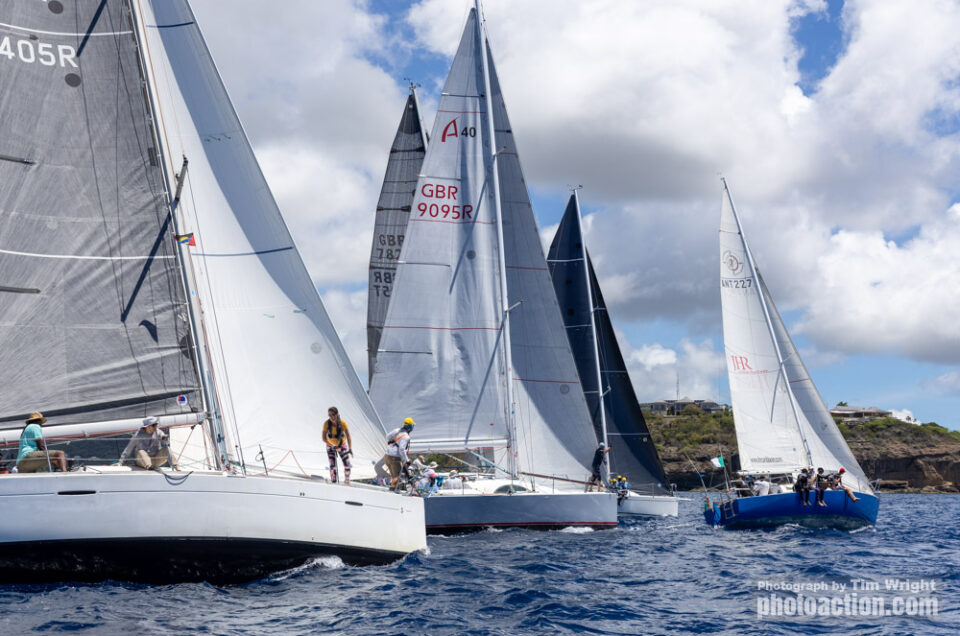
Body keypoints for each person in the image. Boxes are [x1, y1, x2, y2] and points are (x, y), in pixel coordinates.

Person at [322, 406, 353, 485]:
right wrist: (333, 446)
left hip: (341, 445)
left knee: (347, 464)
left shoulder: (343, 423)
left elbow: (348, 437)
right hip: (330, 446)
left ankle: (347, 482)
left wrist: (350, 449)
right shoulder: (326, 423)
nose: (331, 417)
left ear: (337, 414)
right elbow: (324, 438)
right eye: (329, 415)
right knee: (332, 466)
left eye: (333, 415)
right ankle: (334, 482)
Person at [384, 418, 414, 489]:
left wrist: (391, 442)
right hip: (395, 458)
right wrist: (407, 460)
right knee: (397, 477)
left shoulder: (397, 430)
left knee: (394, 477)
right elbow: (402, 449)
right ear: (410, 427)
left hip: (387, 456)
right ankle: (390, 490)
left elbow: (387, 436)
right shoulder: (406, 437)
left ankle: (394, 490)